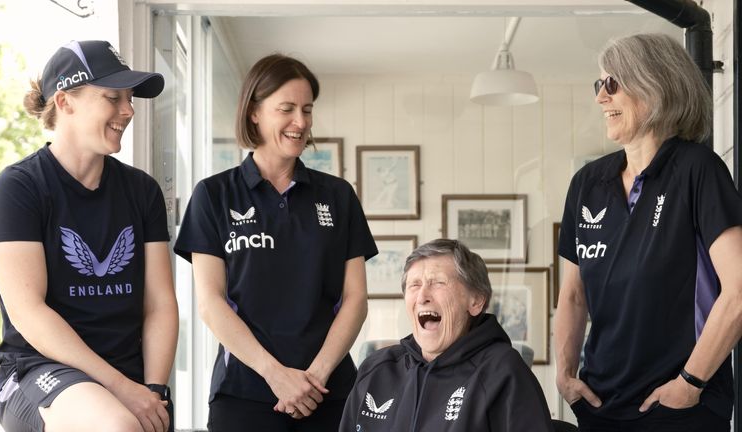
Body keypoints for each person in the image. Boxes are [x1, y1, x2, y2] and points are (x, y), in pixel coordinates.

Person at [174, 53, 377, 431]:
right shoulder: (214, 195)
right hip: (244, 393)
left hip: (329, 392)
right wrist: (275, 375)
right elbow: (211, 302)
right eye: (286, 108)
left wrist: (315, 377)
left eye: (307, 110)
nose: (300, 122)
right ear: (254, 112)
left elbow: (356, 299)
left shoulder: (337, 196)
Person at [0, 40, 178, 432]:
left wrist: (154, 390)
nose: (128, 110)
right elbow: (29, 314)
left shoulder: (142, 191)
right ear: (64, 102)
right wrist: (122, 388)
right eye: (113, 97)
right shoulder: (19, 188)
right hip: (39, 369)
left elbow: (159, 303)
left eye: (130, 99)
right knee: (117, 426)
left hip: (127, 374)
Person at [555, 33, 742, 431]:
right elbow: (572, 294)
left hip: (678, 407)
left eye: (612, 84)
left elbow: (740, 289)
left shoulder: (698, 170)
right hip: (599, 405)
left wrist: (690, 384)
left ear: (653, 84)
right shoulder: (587, 183)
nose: (600, 98)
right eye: (598, 85)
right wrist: (566, 375)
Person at [339, 239, 553, 431]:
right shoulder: (376, 369)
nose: (422, 296)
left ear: (476, 301)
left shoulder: (504, 371)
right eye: (414, 285)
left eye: (438, 283)